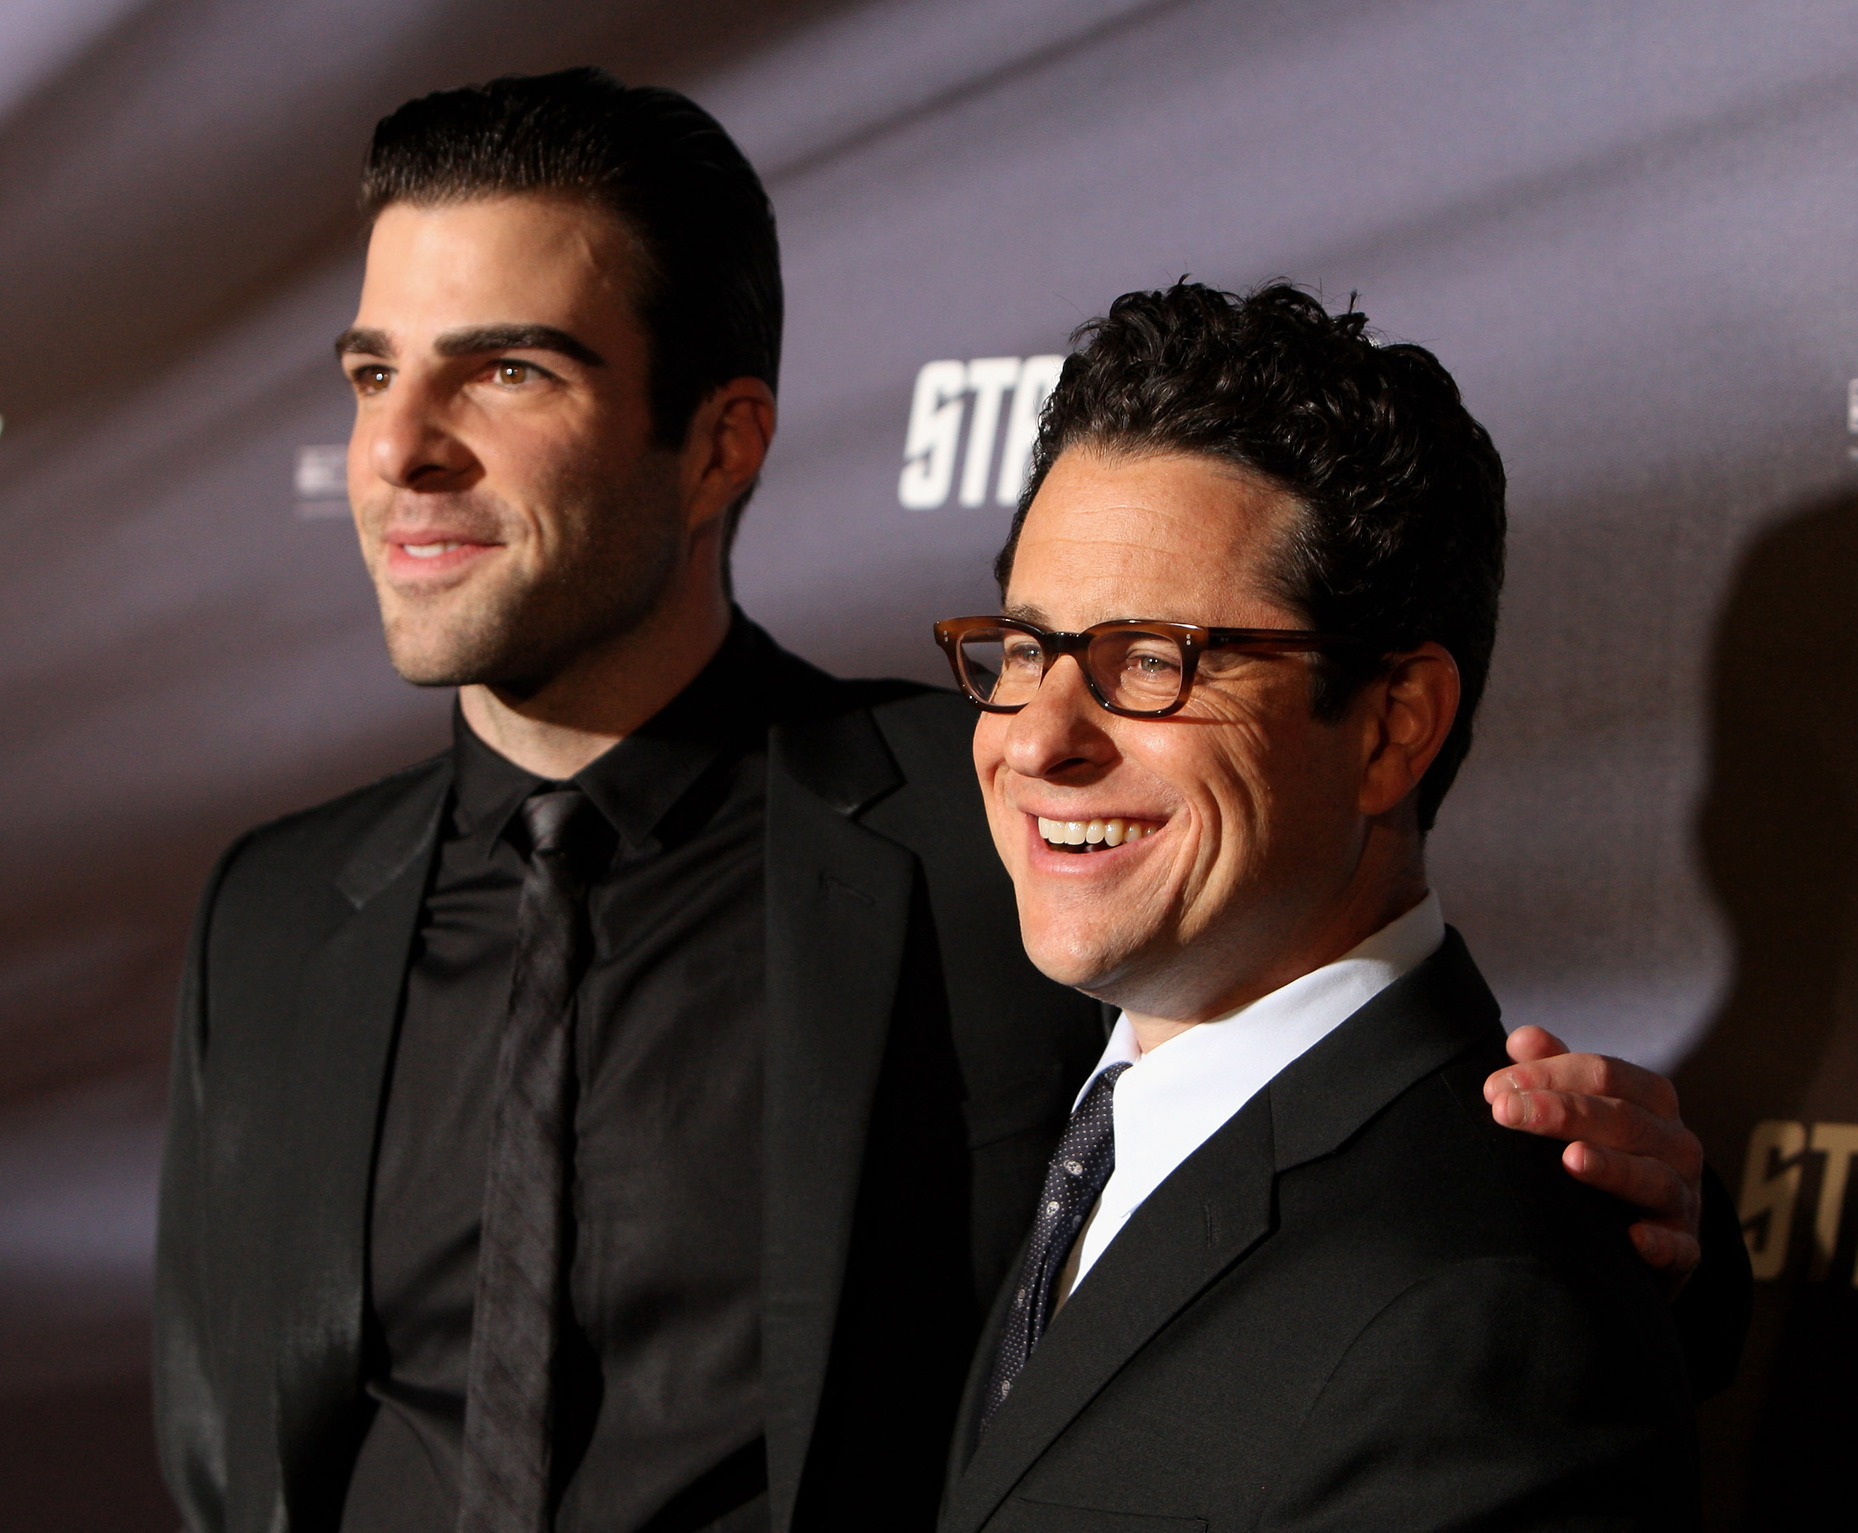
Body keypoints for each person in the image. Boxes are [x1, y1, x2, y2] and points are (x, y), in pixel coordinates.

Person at [153, 71, 1732, 1533]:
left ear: (723, 443)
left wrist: (1637, 1234)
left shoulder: (991, 842)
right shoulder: (274, 917)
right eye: (372, 371)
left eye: (506, 369)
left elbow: (1333, 1140)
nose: (402, 449)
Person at [935, 281, 1715, 1531]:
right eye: (1026, 650)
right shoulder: (1085, 1124)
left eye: (1150, 661)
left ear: (1391, 727)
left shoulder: (1479, 1310)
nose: (1037, 740)